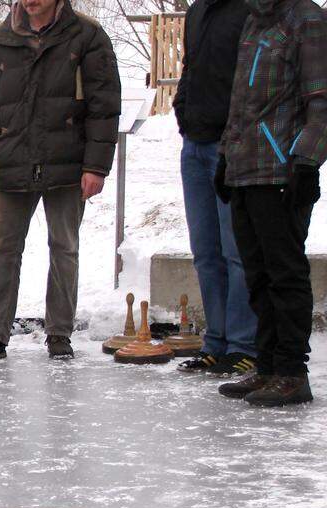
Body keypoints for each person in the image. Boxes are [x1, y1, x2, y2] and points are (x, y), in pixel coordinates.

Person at [0, 0, 120, 361]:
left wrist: (96, 167)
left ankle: (59, 333)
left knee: (64, 246)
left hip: (68, 161)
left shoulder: (88, 34)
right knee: (3, 247)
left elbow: (104, 104)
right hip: (13, 159)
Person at [216, 0, 325, 407]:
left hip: (282, 169)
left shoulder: (307, 19)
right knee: (256, 274)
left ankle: (292, 372)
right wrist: (226, 154)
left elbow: (322, 100)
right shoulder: (254, 20)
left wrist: (307, 160)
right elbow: (240, 103)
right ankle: (267, 366)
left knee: (285, 273)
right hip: (246, 168)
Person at [172, 0, 258, 378]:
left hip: (232, 146)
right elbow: (190, 68)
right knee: (205, 252)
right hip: (194, 144)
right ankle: (216, 341)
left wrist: (234, 136)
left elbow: (250, 81)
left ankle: (243, 345)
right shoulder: (197, 10)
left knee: (235, 250)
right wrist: (182, 109)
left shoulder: (250, 9)